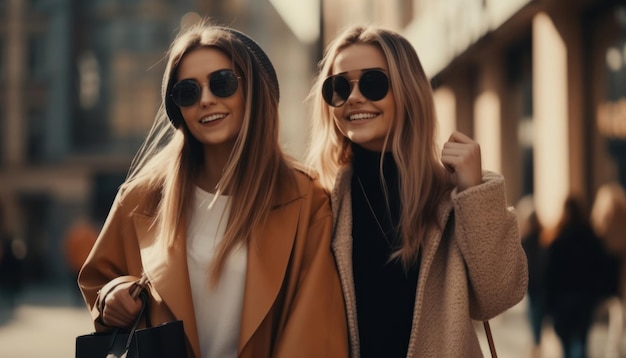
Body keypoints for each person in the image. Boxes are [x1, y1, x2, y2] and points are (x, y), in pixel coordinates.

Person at [78, 20, 348, 358]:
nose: (205, 100)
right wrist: (111, 296)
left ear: (254, 91)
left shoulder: (306, 198)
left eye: (221, 84)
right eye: (188, 92)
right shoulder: (141, 198)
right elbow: (100, 280)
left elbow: (313, 329)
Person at [305, 25, 528, 357]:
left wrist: (474, 193)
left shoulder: (448, 198)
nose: (353, 97)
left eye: (373, 82)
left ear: (407, 91)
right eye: (339, 87)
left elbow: (499, 296)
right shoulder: (320, 202)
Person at [545, 194, 619, 358]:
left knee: (568, 344)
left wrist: (549, 303)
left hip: (564, 299)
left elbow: (551, 274)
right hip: (585, 297)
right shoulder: (591, 238)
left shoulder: (558, 240)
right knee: (581, 340)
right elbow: (600, 266)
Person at [517, 196, 548, 356]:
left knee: (534, 315)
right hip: (539, 284)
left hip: (534, 284)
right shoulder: (544, 237)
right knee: (536, 315)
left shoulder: (525, 240)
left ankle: (536, 344)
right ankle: (537, 343)